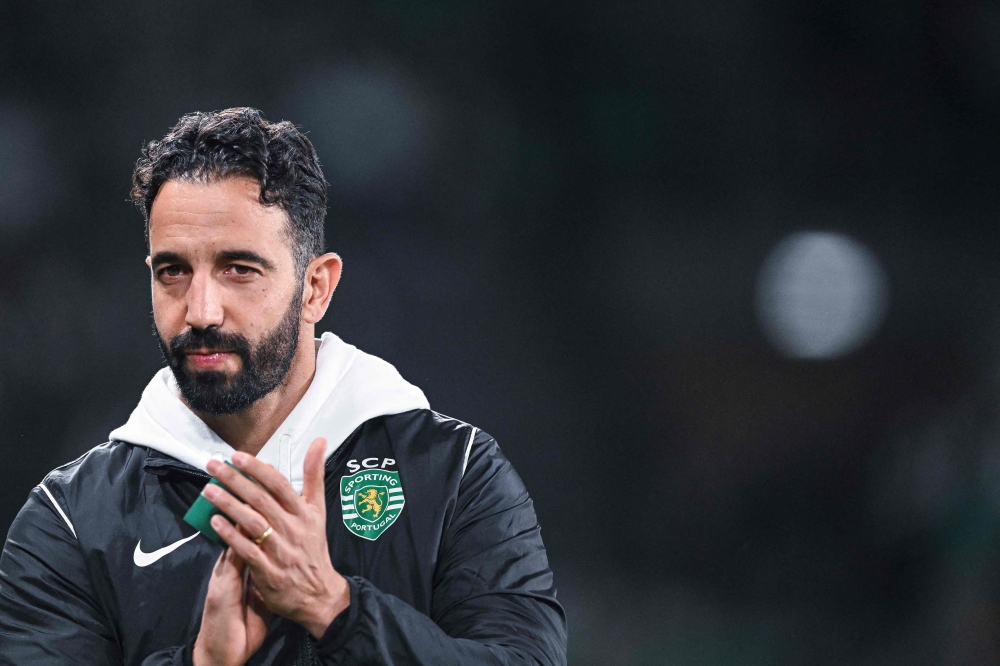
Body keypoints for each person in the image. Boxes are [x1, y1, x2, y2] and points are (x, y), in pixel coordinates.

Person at [0, 107, 567, 666]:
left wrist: (337, 609)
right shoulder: (71, 520)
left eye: (238, 269)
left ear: (316, 288)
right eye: (172, 271)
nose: (200, 310)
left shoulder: (454, 473)